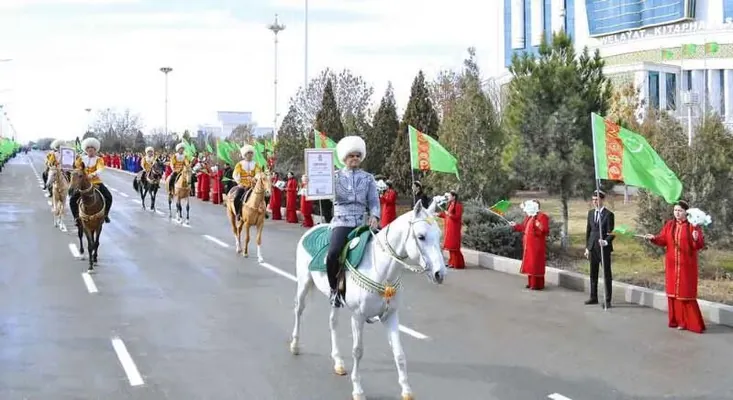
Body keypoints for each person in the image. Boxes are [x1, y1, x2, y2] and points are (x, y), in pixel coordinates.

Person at [327, 135, 380, 307]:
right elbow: (322, 193)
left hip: (363, 223)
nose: (355, 158)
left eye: (358, 155)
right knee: (333, 253)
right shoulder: (334, 177)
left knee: (383, 249)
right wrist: (311, 183)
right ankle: (334, 290)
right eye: (351, 155)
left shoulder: (368, 178)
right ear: (344, 158)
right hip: (342, 221)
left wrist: (375, 216)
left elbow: (374, 201)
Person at [644, 200, 706, 333]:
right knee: (673, 293)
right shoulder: (670, 225)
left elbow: (698, 245)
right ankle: (678, 321)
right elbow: (663, 240)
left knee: (685, 293)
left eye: (680, 211)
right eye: (675, 210)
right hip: (672, 265)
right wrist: (653, 238)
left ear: (686, 212)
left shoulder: (692, 226)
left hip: (686, 266)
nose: (677, 213)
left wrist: (696, 239)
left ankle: (691, 323)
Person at [69, 137, 113, 223]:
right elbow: (76, 167)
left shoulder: (99, 159)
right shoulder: (81, 158)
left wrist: (92, 174)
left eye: (92, 148)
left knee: (108, 196)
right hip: (83, 183)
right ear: (85, 149)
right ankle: (76, 217)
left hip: (96, 181)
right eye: (88, 148)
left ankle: (105, 214)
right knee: (72, 200)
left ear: (95, 150)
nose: (90, 150)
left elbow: (100, 169)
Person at [584, 190, 615, 307]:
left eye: (597, 199)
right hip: (593, 247)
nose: (595, 202)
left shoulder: (608, 214)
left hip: (603, 248)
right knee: (593, 273)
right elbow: (588, 231)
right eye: (593, 200)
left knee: (606, 274)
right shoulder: (591, 213)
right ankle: (593, 297)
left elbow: (612, 233)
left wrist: (606, 241)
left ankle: (607, 300)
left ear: (602, 200)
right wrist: (587, 247)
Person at [511, 200, 550, 290]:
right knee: (530, 264)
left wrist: (537, 223)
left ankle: (537, 284)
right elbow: (524, 228)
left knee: (535, 264)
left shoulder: (542, 216)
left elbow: (545, 230)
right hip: (528, 245)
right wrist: (515, 225)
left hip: (536, 245)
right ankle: (531, 283)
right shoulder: (529, 217)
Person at [231, 144, 262, 220]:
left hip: (253, 185)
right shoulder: (239, 164)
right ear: (244, 154)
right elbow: (235, 174)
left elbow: (258, 173)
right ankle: (238, 213)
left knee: (264, 196)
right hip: (243, 185)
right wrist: (239, 183)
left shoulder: (256, 164)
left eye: (251, 153)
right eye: (248, 153)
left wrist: (254, 178)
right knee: (237, 197)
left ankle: (263, 211)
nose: (250, 154)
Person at [438, 190, 465, 269]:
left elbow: (457, 216)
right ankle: (452, 262)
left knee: (454, 247)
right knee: (450, 247)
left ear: (454, 197)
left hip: (454, 229)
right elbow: (446, 215)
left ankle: (458, 263)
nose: (448, 197)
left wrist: (449, 214)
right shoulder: (450, 204)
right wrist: (439, 214)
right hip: (449, 228)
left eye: (449, 196)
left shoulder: (458, 205)